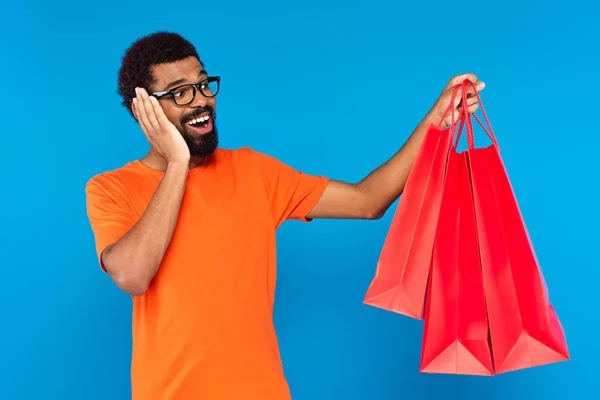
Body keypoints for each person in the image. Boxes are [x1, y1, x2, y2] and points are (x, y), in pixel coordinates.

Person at [85, 31, 484, 400]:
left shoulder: (254, 172)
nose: (202, 99)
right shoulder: (110, 188)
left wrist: (434, 123)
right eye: (180, 93)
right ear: (143, 110)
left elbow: (368, 200)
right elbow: (133, 276)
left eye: (204, 84)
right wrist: (177, 163)